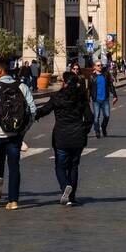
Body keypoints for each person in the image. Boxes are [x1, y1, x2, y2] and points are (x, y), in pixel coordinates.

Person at [0, 60, 36, 209]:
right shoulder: (22, 86)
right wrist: (23, 129)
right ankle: (13, 201)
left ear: (0, 71)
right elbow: (32, 110)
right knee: (14, 167)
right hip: (15, 135)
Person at [35, 71, 93, 206]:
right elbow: (89, 117)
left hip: (61, 136)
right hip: (78, 136)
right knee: (73, 166)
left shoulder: (57, 96)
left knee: (60, 166)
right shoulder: (81, 97)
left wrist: (34, 115)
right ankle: (71, 198)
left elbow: (44, 110)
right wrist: (84, 130)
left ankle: (65, 186)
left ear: (65, 83)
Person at [89, 61, 118, 138]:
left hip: (105, 99)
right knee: (96, 117)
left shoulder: (106, 75)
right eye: (98, 65)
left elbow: (110, 85)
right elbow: (89, 88)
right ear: (94, 67)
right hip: (96, 100)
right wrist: (88, 97)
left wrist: (115, 96)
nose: (100, 67)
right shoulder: (92, 76)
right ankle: (97, 131)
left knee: (107, 116)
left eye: (101, 65)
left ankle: (103, 127)